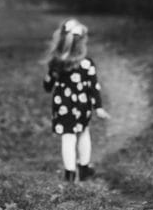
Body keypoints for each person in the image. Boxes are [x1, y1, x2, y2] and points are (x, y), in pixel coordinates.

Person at [43, 18, 109, 182]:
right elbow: (94, 87)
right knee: (83, 133)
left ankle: (70, 174)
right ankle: (84, 169)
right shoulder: (87, 63)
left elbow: (47, 86)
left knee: (68, 137)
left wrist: (51, 75)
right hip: (82, 106)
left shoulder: (56, 64)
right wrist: (98, 107)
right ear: (81, 44)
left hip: (63, 106)